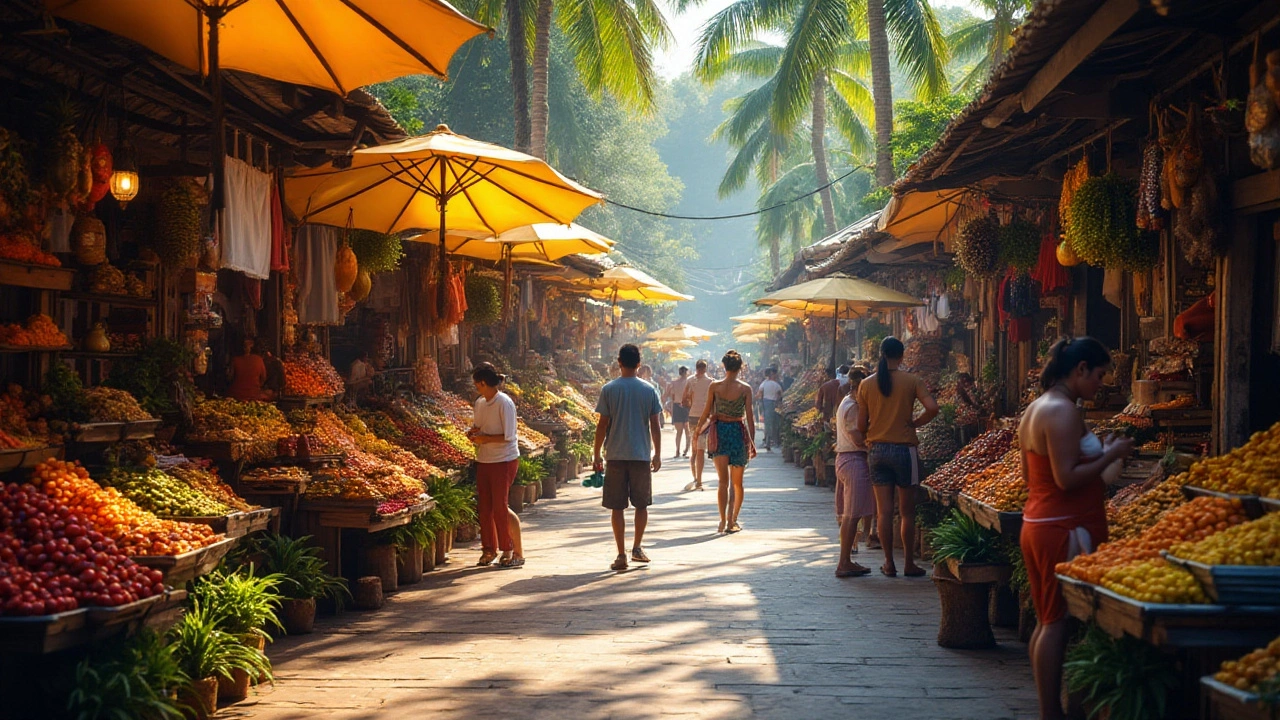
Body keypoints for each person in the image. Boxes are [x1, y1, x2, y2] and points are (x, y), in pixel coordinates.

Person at [1019, 338, 1131, 720]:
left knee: (1047, 620)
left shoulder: (1036, 408)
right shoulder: (1063, 411)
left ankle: (1049, 709)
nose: (1101, 383)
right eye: (1099, 375)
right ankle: (1051, 713)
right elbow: (1066, 478)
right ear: (1080, 369)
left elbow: (1028, 476)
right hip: (1063, 527)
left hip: (1039, 522)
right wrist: (1111, 455)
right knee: (1055, 624)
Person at [856, 337, 939, 578]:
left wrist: (873, 431)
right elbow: (932, 408)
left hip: (878, 451)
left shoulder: (866, 385)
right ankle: (909, 563)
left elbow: (861, 425)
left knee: (883, 512)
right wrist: (915, 422)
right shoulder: (912, 381)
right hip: (905, 451)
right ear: (901, 357)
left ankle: (888, 562)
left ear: (881, 355)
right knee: (906, 512)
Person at [593, 344, 663, 572]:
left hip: (615, 454)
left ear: (619, 362)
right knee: (641, 504)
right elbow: (655, 425)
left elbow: (602, 425)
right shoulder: (649, 390)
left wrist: (596, 454)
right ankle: (637, 547)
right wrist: (657, 454)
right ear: (639, 364)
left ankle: (621, 554)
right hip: (641, 455)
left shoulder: (609, 389)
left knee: (617, 506)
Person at [467, 362, 525, 568]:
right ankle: (488, 549)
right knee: (485, 507)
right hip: (485, 459)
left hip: (504, 459)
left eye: (477, 384)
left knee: (500, 506)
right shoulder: (480, 403)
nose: (476, 388)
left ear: (484, 383)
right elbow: (479, 427)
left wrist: (486, 439)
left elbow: (509, 437)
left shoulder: (504, 403)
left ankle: (508, 548)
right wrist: (474, 434)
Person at [695, 351, 755, 533]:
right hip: (738, 433)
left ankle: (722, 520)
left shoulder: (715, 386)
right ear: (741, 367)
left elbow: (706, 411)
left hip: (719, 432)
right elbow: (750, 418)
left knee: (723, 482)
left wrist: (698, 431)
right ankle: (733, 520)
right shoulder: (745, 389)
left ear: (724, 366)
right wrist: (751, 441)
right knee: (738, 483)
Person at [835, 367, 874, 577]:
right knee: (851, 515)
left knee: (851, 514)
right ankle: (844, 562)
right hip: (853, 459)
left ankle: (846, 560)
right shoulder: (852, 407)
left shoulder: (849, 403)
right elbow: (857, 438)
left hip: (848, 459)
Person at [682, 359, 715, 491]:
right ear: (705, 369)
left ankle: (697, 478)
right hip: (705, 418)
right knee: (700, 449)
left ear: (696, 368)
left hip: (694, 417)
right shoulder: (711, 382)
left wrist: (692, 403)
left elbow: (684, 400)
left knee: (695, 449)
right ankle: (699, 481)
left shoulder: (690, 381)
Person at [663, 366, 692, 459]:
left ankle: (679, 450)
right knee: (687, 430)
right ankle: (685, 450)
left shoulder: (674, 383)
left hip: (679, 406)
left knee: (680, 431)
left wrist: (666, 404)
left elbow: (667, 395)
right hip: (685, 407)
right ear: (686, 372)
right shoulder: (689, 382)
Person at [756, 368, 784, 451]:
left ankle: (768, 441)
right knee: (774, 423)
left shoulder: (763, 384)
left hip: (766, 403)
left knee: (768, 423)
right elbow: (780, 394)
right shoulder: (776, 384)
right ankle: (773, 441)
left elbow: (759, 394)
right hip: (774, 403)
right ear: (772, 375)